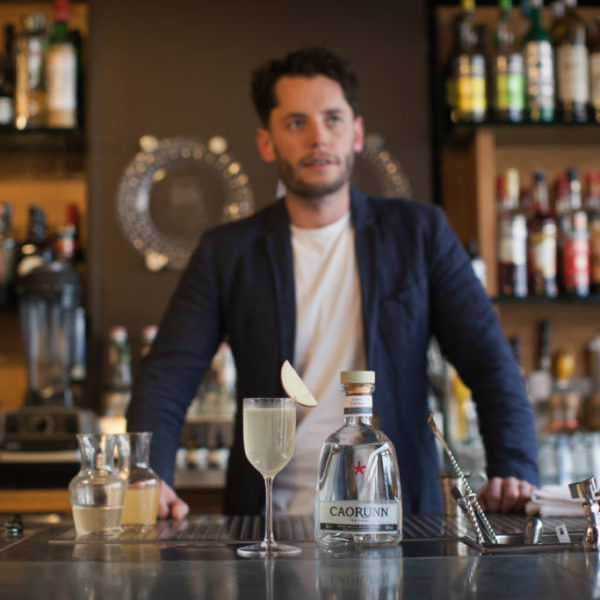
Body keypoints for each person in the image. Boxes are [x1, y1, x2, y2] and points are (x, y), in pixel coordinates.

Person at [127, 47, 538, 520]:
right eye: (297, 123)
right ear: (267, 142)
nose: (318, 138)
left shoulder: (420, 234)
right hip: (269, 523)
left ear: (357, 132)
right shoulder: (227, 251)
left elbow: (489, 360)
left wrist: (514, 466)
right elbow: (168, 373)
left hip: (399, 520)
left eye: (333, 119)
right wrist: (149, 474)